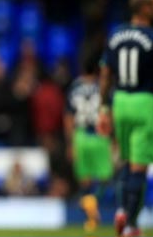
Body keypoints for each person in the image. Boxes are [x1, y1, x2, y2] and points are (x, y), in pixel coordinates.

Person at [98, 0, 153, 237]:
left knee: (125, 161)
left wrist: (104, 107)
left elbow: (106, 74)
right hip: (145, 101)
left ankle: (121, 210)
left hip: (120, 100)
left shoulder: (115, 34)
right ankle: (131, 224)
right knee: (139, 168)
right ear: (144, 9)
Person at [64, 52, 113, 232]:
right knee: (105, 177)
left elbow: (68, 117)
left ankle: (90, 217)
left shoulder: (74, 87)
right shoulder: (103, 86)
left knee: (85, 179)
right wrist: (113, 139)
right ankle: (94, 204)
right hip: (100, 134)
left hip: (81, 135)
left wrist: (70, 143)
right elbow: (110, 114)